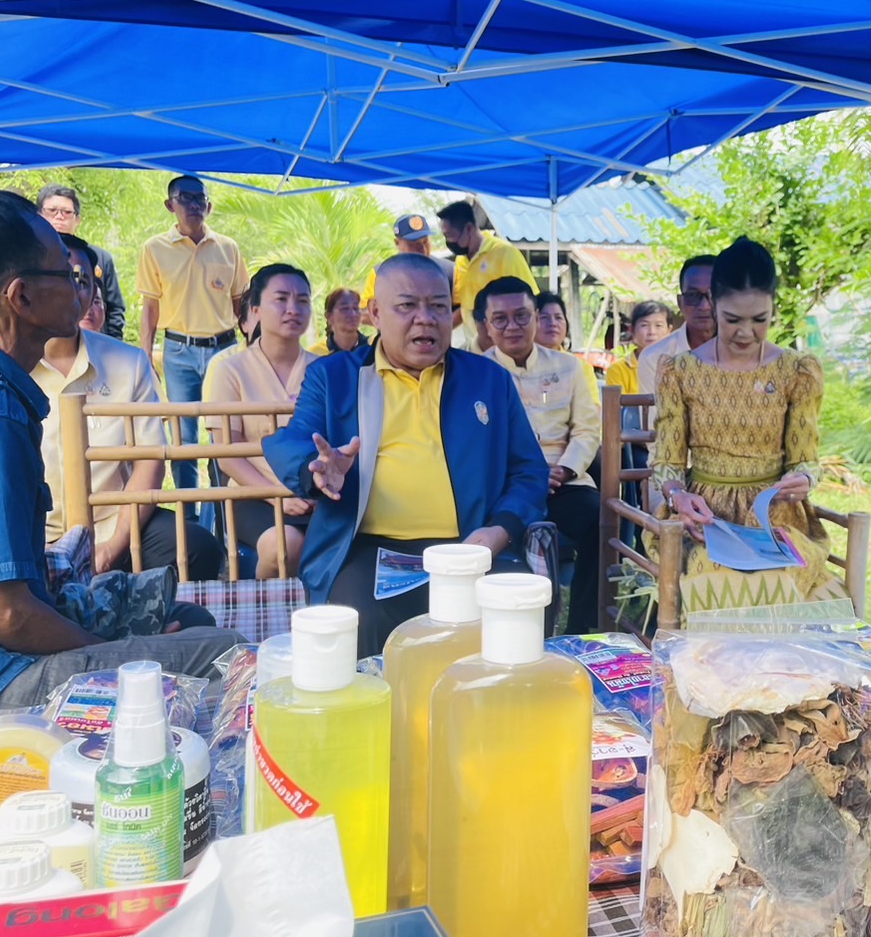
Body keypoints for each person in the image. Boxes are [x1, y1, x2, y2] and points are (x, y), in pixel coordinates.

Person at [0, 190, 239, 715]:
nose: (83, 287)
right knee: (225, 653)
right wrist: (110, 655)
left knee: (188, 621)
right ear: (21, 297)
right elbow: (3, 616)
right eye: (67, 273)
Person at [263, 253, 549, 657]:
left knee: (514, 623)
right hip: (369, 549)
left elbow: (529, 471)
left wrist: (498, 532)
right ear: (376, 313)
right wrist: (317, 470)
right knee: (357, 623)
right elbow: (292, 441)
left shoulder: (488, 379)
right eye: (407, 306)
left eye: (438, 306)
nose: (425, 319)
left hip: (472, 545)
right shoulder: (335, 376)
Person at [34, 234, 225, 581]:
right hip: (30, 531)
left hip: (112, 524)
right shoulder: (6, 366)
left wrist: (113, 547)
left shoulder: (128, 362)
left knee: (198, 548)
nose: (71, 289)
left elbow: (149, 461)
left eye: (81, 279)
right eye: (59, 276)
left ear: (94, 292)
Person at [653, 237, 833, 602]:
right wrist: (678, 496)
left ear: (773, 309)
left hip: (776, 518)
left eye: (759, 320)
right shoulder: (680, 371)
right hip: (706, 519)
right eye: (732, 319)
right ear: (714, 305)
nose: (745, 332)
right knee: (715, 579)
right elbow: (667, 463)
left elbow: (805, 459)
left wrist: (804, 479)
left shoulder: (796, 371)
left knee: (783, 583)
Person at [482, 277, 602, 633]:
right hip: (506, 485)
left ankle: (581, 628)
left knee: (598, 518)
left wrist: (564, 469)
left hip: (563, 481)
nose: (512, 326)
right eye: (500, 319)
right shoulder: (476, 372)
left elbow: (587, 430)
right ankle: (506, 628)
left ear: (536, 317)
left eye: (521, 316)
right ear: (486, 325)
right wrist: (527, 476)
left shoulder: (569, 366)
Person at [137, 174, 251, 493]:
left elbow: (241, 304)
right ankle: (187, 513)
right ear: (169, 205)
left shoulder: (228, 248)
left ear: (209, 206)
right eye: (185, 198)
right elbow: (150, 308)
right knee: (182, 437)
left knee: (224, 432)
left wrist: (251, 349)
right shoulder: (154, 248)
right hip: (178, 351)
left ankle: (222, 510)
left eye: (199, 198)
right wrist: (145, 356)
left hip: (224, 348)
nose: (193, 205)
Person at [205, 264, 319, 579]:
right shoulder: (231, 370)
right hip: (253, 492)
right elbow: (227, 455)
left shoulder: (324, 368)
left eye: (302, 300)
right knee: (284, 546)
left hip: (316, 493)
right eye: (281, 299)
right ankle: (264, 604)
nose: (293, 309)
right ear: (255, 310)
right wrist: (278, 494)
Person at [437, 200, 535, 347]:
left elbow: (530, 301)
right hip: (474, 348)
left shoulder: (504, 253)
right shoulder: (461, 261)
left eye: (449, 235)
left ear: (469, 228)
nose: (448, 241)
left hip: (503, 347)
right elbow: (463, 308)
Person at [37, 183, 126, 340]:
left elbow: (114, 308)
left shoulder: (98, 257)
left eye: (66, 212)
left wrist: (112, 343)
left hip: (93, 343)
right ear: (39, 216)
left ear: (77, 219)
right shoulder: (29, 256)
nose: (59, 217)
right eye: (52, 211)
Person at [637, 255, 716, 401]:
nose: (704, 306)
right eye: (693, 295)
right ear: (680, 302)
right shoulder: (654, 358)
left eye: (713, 295)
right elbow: (655, 415)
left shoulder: (749, 354)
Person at [361, 213, 455, 307]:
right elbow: (366, 311)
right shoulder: (379, 274)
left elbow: (460, 310)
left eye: (425, 242)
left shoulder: (450, 271)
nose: (423, 250)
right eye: (413, 244)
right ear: (397, 243)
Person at [605, 300, 672, 394]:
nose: (652, 332)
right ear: (632, 330)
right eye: (644, 325)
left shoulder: (679, 366)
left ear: (669, 330)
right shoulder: (618, 370)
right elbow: (615, 403)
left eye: (658, 325)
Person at [311, 287, 365, 355]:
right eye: (345, 309)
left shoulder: (373, 349)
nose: (353, 314)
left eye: (356, 308)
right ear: (329, 316)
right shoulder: (314, 354)